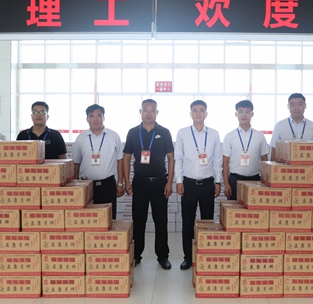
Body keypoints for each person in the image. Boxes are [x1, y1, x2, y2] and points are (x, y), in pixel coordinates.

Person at [123, 99, 175, 270]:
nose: (149, 113)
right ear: (140, 112)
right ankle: (136, 255)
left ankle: (163, 256)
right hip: (140, 182)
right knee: (139, 221)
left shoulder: (164, 132)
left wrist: (169, 182)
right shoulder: (132, 132)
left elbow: (171, 158)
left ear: (157, 113)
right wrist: (127, 181)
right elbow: (126, 158)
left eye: (152, 110)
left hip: (160, 182)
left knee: (161, 221)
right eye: (145, 109)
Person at [175, 100, 223, 270]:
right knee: (187, 222)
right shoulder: (183, 133)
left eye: (201, 110)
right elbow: (178, 159)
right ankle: (188, 257)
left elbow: (218, 159)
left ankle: (206, 254)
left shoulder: (214, 134)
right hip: (188, 184)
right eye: (195, 110)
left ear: (206, 114)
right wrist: (179, 181)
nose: (198, 113)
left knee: (207, 222)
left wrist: (218, 181)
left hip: (208, 184)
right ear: (190, 114)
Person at [72, 104, 124, 220]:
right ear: (87, 119)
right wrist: (76, 186)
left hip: (107, 185)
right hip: (86, 186)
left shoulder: (114, 136)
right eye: (92, 116)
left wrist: (120, 184)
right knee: (87, 219)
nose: (95, 119)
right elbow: (76, 164)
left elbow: (120, 161)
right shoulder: (80, 138)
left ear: (103, 118)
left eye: (99, 116)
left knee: (108, 219)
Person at [222, 100, 269, 201]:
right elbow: (225, 161)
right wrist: (226, 184)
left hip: (255, 180)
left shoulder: (260, 136)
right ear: (236, 114)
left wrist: (266, 181)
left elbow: (264, 159)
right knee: (234, 209)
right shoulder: (229, 136)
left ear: (252, 114)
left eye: (247, 112)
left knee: (254, 208)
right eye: (240, 112)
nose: (244, 115)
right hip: (235, 180)